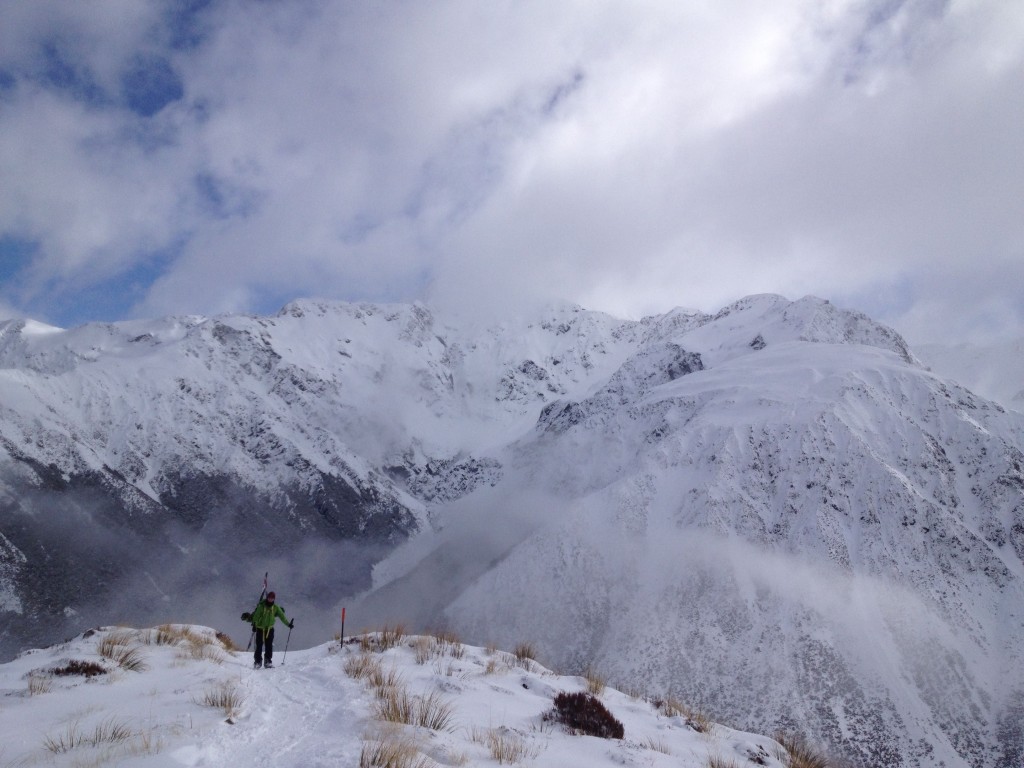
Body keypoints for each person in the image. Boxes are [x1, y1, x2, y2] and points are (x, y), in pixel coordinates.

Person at [248, 591, 293, 668]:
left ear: (274, 599)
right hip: (260, 629)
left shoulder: (275, 608)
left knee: (269, 646)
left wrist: (288, 624)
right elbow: (256, 616)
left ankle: (268, 661)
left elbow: (282, 617)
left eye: (272, 598)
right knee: (259, 646)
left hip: (270, 629)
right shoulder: (261, 606)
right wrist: (254, 624)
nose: (270, 599)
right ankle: (258, 662)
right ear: (267, 597)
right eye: (269, 598)